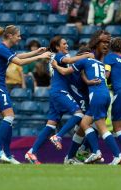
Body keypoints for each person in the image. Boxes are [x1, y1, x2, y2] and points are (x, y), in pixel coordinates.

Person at [0, 25, 51, 164]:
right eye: (18, 35)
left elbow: (18, 56)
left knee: (8, 121)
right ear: (10, 36)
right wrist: (40, 56)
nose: (20, 38)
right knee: (10, 116)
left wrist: (35, 52)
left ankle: (8, 155)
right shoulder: (2, 48)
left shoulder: (4, 48)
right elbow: (20, 62)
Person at [25, 36, 94, 164]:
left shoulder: (60, 62)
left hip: (55, 93)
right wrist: (86, 56)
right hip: (59, 92)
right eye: (64, 43)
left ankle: (31, 152)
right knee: (79, 113)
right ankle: (58, 136)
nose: (67, 45)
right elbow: (70, 59)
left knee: (50, 125)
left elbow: (71, 72)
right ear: (57, 47)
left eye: (67, 43)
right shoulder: (58, 56)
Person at [52, 50, 121, 165]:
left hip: (96, 95)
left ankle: (116, 155)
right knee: (84, 123)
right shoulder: (99, 63)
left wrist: (55, 65)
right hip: (106, 94)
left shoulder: (83, 61)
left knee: (102, 128)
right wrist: (87, 80)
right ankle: (71, 157)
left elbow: (65, 71)